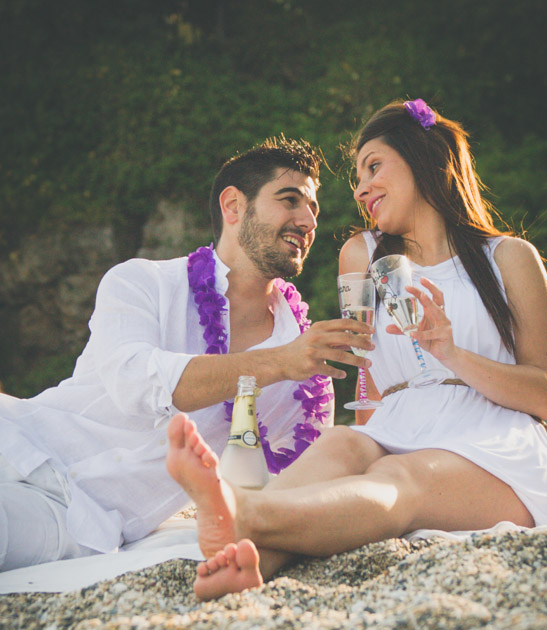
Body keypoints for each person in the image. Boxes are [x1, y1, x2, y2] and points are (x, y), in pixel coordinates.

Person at [165, 99, 547, 601]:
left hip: (497, 444)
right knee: (342, 445)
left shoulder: (510, 257)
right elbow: (370, 379)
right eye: (357, 177)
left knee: (396, 475)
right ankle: (252, 559)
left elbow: (543, 394)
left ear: (425, 158)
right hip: (400, 420)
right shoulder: (362, 256)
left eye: (373, 167)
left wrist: (449, 351)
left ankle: (244, 512)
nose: (360, 189)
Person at [0, 136, 375, 571]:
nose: (308, 220)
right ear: (233, 206)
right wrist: (277, 362)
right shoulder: (141, 282)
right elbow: (135, 382)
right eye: (290, 199)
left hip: (79, 523)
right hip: (17, 440)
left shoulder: (307, 380)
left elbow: (291, 488)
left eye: (313, 208)